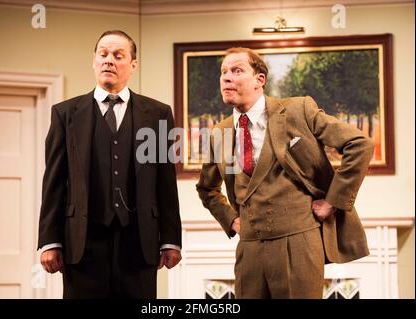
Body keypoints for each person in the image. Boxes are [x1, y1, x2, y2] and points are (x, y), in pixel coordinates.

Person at [196, 47, 374, 299]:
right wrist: (231, 220)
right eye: (223, 72)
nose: (226, 77)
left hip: (299, 244)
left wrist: (333, 202)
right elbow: (207, 188)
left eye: (237, 70)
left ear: (260, 80)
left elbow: (360, 144)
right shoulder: (220, 133)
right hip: (249, 250)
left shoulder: (298, 110)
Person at [38, 30, 182, 298]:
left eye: (118, 55)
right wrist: (49, 240)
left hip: (139, 242)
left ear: (133, 65)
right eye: (103, 55)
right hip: (82, 244)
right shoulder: (65, 114)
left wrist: (171, 239)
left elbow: (165, 181)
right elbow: (54, 182)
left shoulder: (159, 114)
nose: (109, 61)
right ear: (94, 61)